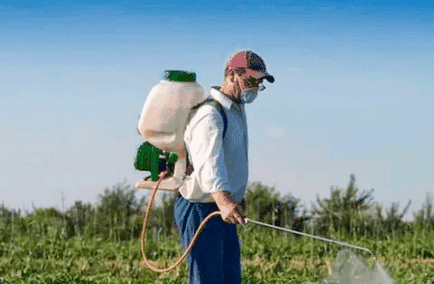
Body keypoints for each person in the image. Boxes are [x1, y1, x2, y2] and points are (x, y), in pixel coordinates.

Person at [174, 50, 275, 284]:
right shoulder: (210, 113)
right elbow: (209, 162)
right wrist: (224, 199)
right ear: (232, 74)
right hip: (201, 208)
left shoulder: (235, 110)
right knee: (207, 279)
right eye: (250, 80)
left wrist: (236, 197)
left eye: (259, 82)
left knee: (230, 278)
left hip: (222, 206)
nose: (254, 87)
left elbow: (232, 160)